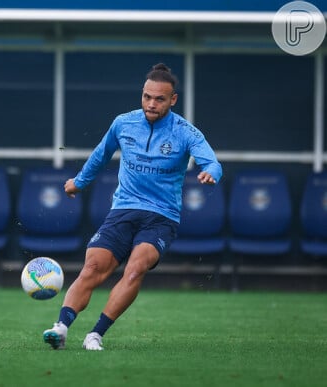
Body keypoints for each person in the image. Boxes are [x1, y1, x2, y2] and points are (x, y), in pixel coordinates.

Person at [43, 63, 222, 350]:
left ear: (173, 100)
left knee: (136, 268)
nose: (151, 104)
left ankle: (95, 334)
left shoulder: (185, 132)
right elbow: (101, 156)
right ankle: (61, 328)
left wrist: (211, 173)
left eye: (159, 99)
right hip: (123, 210)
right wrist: (79, 181)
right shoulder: (123, 123)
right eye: (147, 97)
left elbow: (212, 161)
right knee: (92, 267)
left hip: (161, 217)